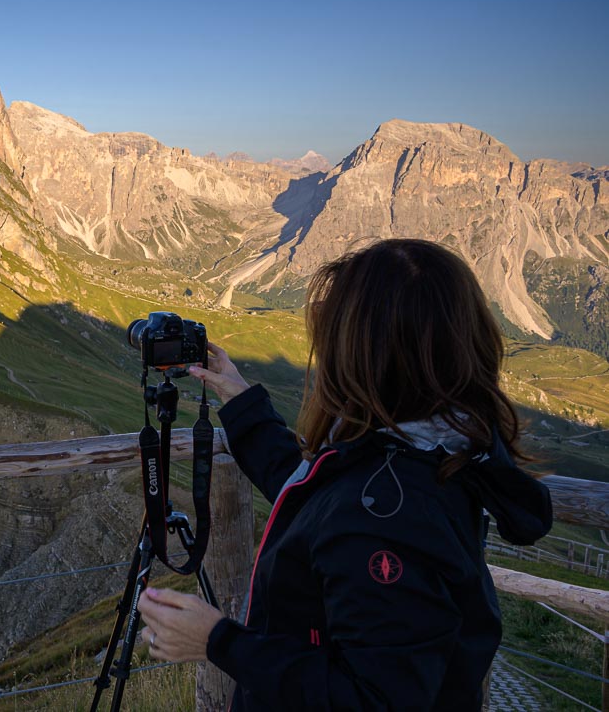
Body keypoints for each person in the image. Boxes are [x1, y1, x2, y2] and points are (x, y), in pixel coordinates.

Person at [137, 238, 553, 710]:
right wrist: (243, 401)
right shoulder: (429, 452)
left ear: (365, 358)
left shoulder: (384, 517)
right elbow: (321, 499)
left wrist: (218, 641)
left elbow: (372, 700)